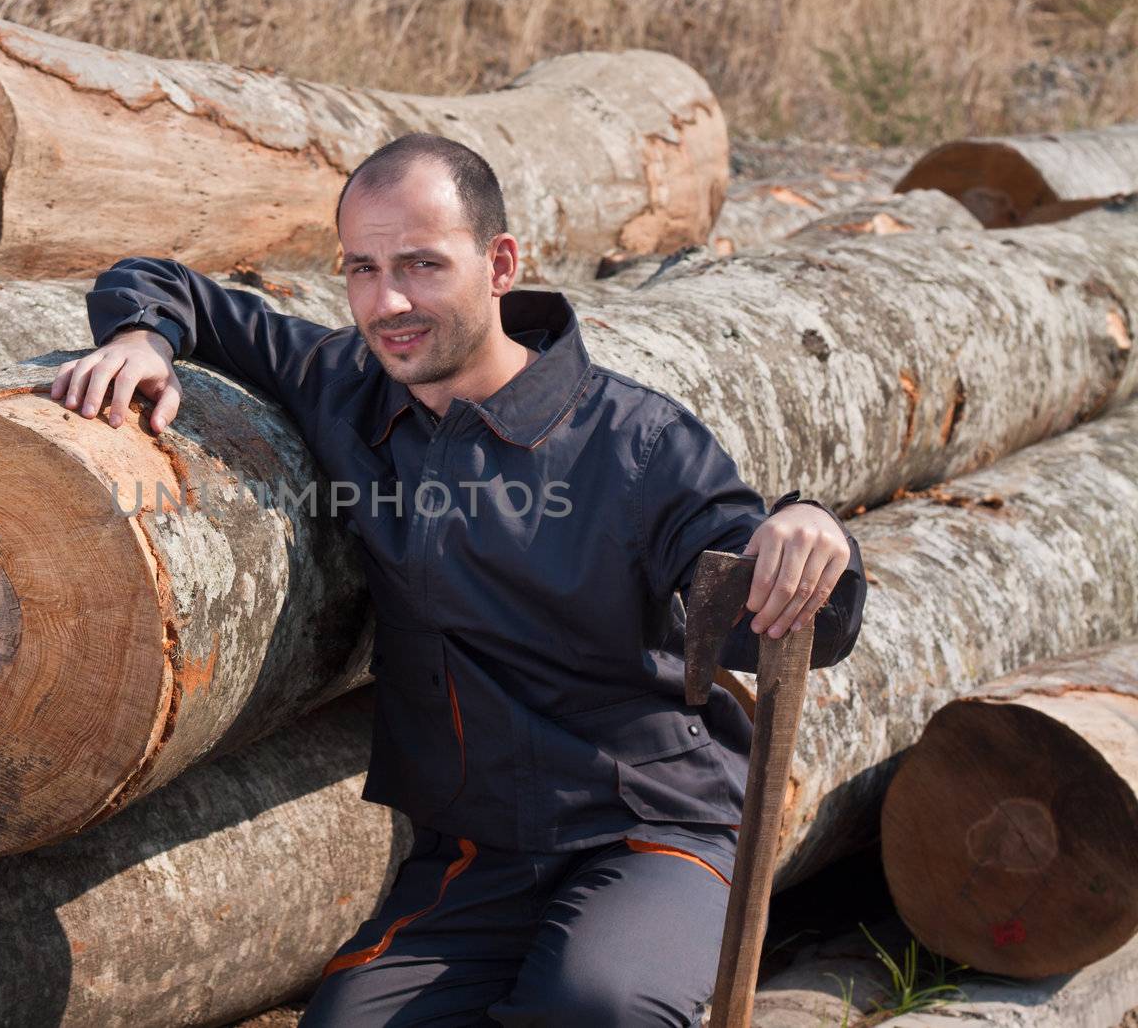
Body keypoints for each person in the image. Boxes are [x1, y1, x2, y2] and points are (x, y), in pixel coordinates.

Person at [51, 133, 867, 1026]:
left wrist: (810, 529)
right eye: (362, 268)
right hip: (476, 851)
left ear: (500, 263)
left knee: (593, 1006)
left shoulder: (635, 444)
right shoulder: (345, 385)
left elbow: (778, 617)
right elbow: (167, 282)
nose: (388, 300)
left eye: (422, 265)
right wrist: (143, 337)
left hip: (655, 830)